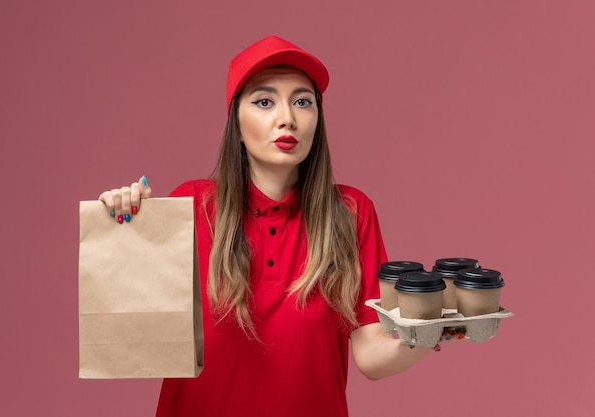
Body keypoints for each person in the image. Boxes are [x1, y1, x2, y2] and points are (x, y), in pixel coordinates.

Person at [99, 35, 461, 417]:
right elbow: (135, 326)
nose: (287, 117)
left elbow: (371, 355)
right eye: (264, 101)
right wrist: (123, 223)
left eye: (303, 102)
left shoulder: (351, 213)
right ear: (236, 123)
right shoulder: (191, 206)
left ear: (317, 121)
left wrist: (425, 332)